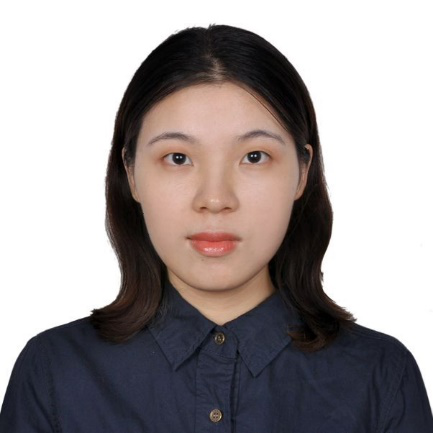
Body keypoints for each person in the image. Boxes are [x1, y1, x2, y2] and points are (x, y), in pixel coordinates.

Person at [0, 23, 432, 432]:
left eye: (254, 157)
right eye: (178, 158)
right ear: (131, 173)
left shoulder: (381, 377)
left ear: (302, 172)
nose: (215, 198)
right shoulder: (54, 373)